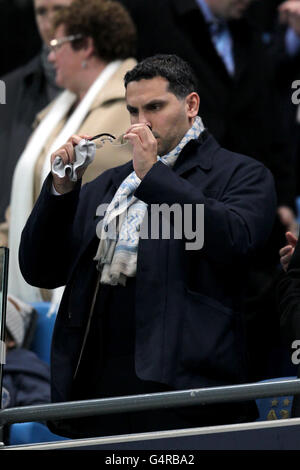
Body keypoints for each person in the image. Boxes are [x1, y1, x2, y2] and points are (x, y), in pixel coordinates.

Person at [19, 54, 277, 438]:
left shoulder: (241, 174)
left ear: (191, 105)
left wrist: (154, 176)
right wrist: (61, 191)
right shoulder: (108, 185)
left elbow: (236, 240)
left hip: (188, 392)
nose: (141, 122)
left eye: (154, 107)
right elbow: (42, 269)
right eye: (133, 110)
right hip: (99, 388)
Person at [6, 0, 137, 305]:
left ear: (86, 47)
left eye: (56, 46)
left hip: (95, 286)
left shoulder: (131, 104)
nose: (50, 56)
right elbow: (28, 199)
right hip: (35, 277)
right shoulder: (58, 111)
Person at [0, 0, 73, 227]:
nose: (49, 22)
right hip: (13, 233)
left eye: (60, 10)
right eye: (42, 12)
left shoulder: (115, 87)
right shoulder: (8, 90)